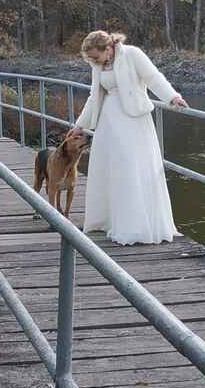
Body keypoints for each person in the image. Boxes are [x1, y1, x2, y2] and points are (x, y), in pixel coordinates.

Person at [66, 30, 188, 245]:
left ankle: (135, 225)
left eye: (95, 56)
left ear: (109, 48)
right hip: (108, 122)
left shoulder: (132, 54)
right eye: (90, 58)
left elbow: (153, 78)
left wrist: (172, 97)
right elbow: (94, 96)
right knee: (110, 169)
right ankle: (109, 220)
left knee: (130, 168)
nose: (93, 61)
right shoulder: (98, 65)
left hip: (133, 121)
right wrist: (79, 126)